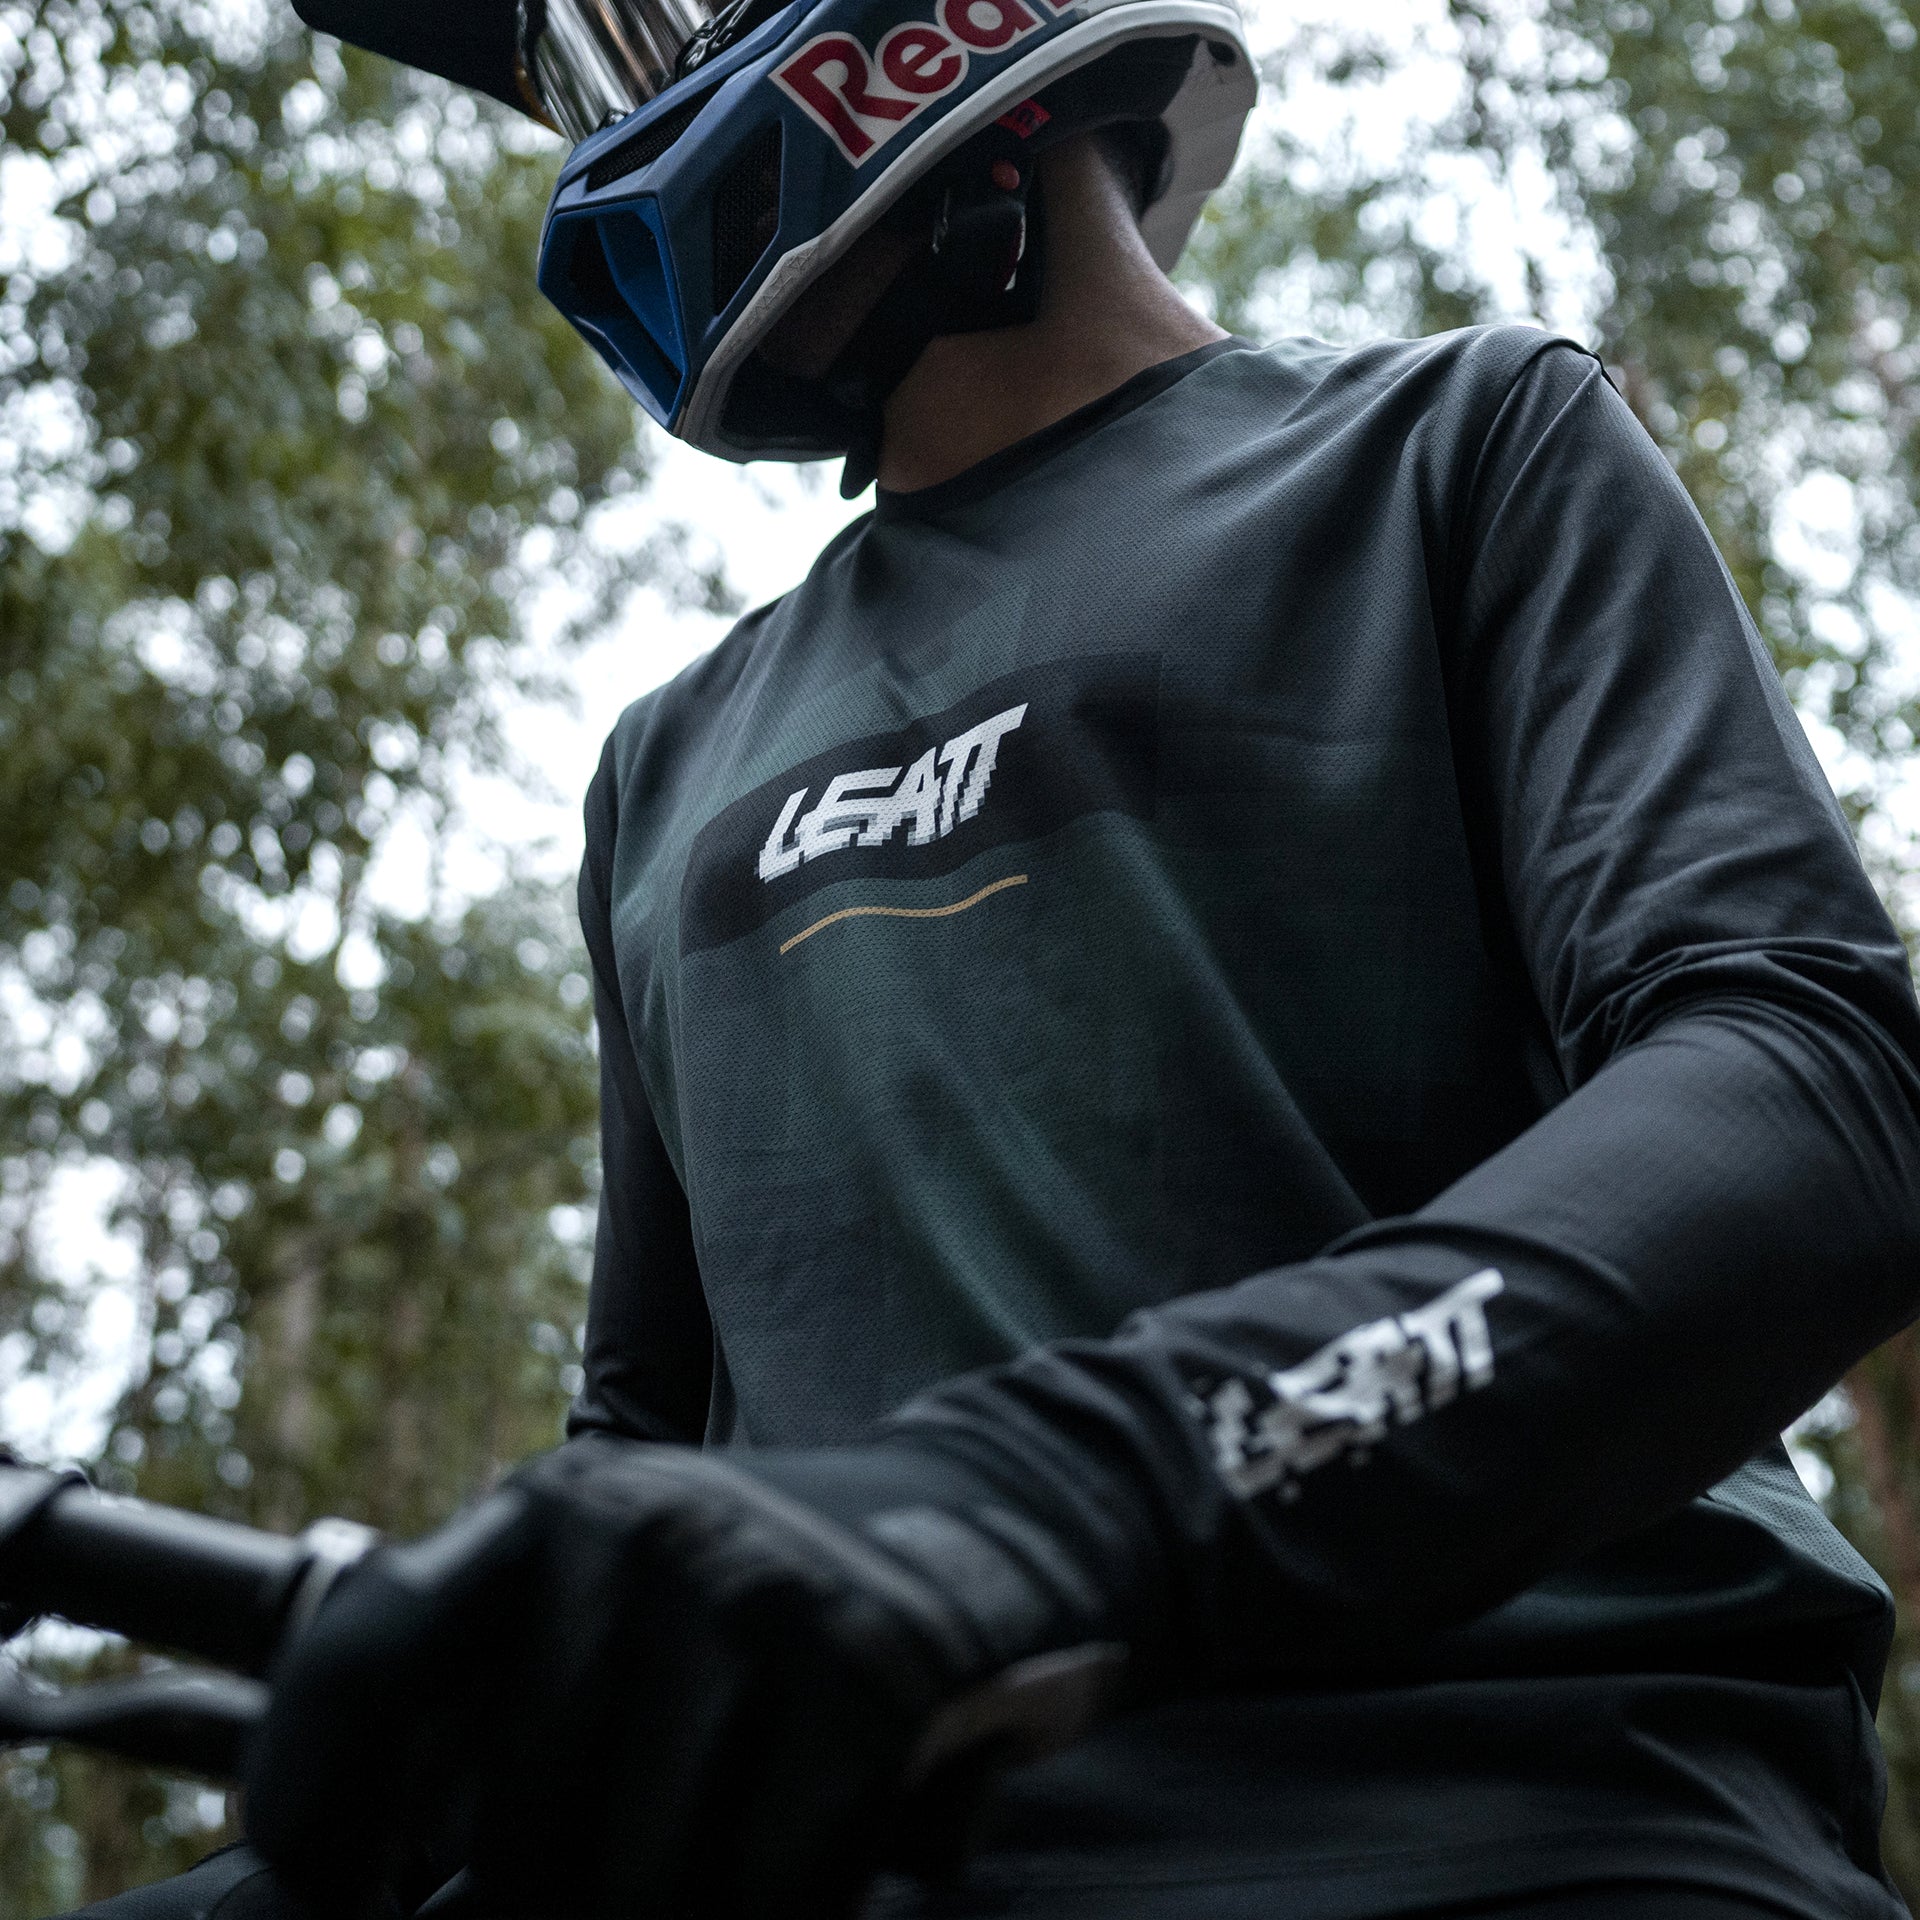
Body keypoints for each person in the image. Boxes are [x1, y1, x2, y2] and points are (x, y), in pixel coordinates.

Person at [69, 0, 1920, 1914]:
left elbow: (1813, 1094)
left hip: (1532, 1808)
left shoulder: (1450, 444)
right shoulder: (669, 764)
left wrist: (1062, 1501)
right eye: (579, 65)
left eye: (641, 24)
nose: (614, 115)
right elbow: (654, 1454)